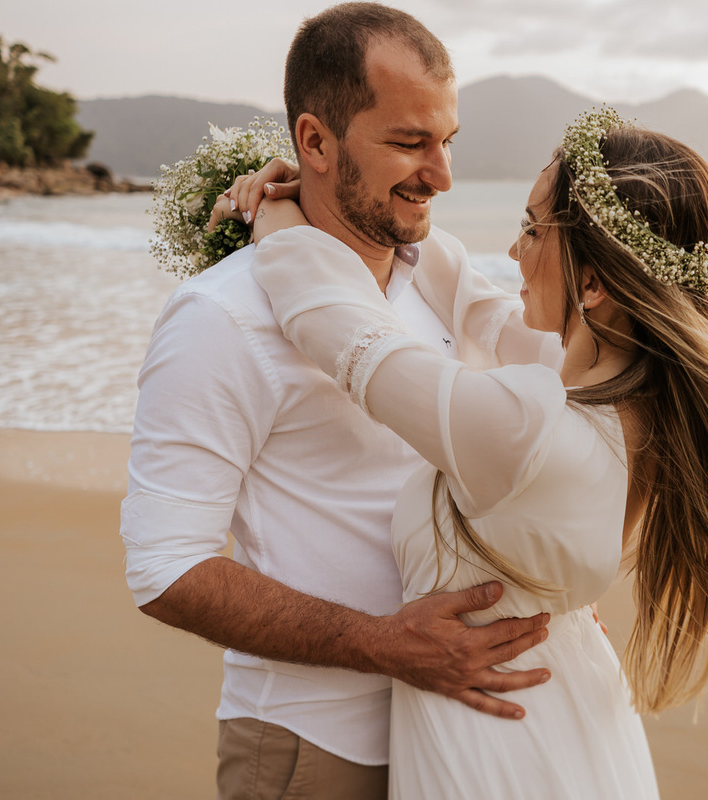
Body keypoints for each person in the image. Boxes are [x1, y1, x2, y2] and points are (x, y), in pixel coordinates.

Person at [246, 106, 708, 798]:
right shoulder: (650, 405)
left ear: (596, 283)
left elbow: (340, 330)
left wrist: (276, 223)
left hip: (494, 749)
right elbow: (481, 305)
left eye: (531, 229)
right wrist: (381, 215)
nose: (514, 253)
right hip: (577, 716)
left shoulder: (526, 426)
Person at [120, 5, 559, 798]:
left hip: (461, 741)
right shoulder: (219, 318)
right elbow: (164, 567)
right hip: (314, 742)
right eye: (407, 142)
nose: (442, 174)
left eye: (447, 140)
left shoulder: (437, 275)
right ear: (315, 142)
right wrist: (381, 643)